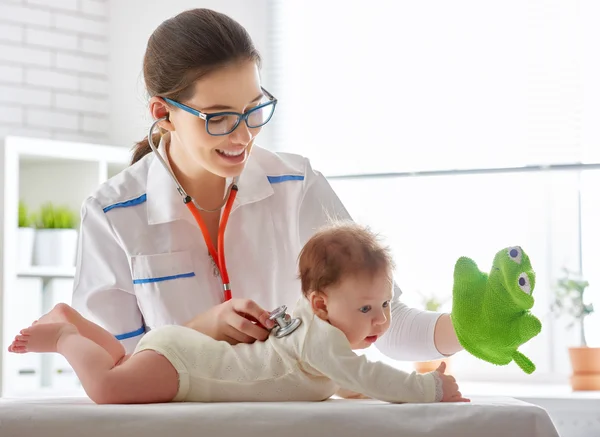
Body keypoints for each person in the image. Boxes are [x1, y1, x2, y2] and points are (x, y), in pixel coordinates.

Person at [70, 8, 462, 363]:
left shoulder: (296, 187)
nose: (243, 136)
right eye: (218, 118)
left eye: (253, 110)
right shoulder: (111, 214)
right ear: (163, 113)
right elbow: (110, 369)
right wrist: (200, 332)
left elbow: (382, 321)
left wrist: (476, 328)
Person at [9, 223, 469, 405]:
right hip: (188, 366)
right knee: (108, 387)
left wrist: (352, 390)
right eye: (367, 308)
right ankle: (66, 336)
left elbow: (342, 379)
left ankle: (67, 315)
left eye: (385, 304)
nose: (380, 320)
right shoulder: (322, 339)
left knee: (122, 366)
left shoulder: (312, 329)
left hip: (183, 352)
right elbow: (371, 377)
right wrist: (430, 388)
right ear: (322, 304)